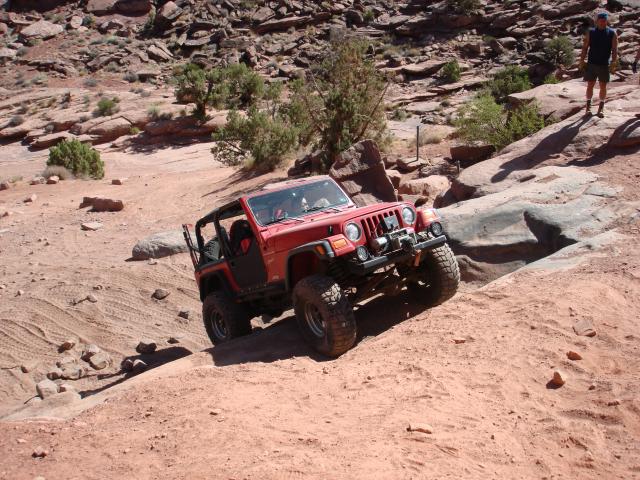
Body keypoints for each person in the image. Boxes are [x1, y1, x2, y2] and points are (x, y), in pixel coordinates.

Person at [579, 12, 618, 118]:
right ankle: (588, 107)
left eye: (604, 21)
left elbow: (614, 49)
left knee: (603, 86)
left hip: (604, 64)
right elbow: (585, 47)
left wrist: (614, 62)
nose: (602, 23)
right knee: (590, 85)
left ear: (606, 21)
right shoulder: (591, 32)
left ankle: (601, 108)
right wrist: (581, 60)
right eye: (600, 21)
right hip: (592, 63)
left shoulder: (612, 33)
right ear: (597, 21)